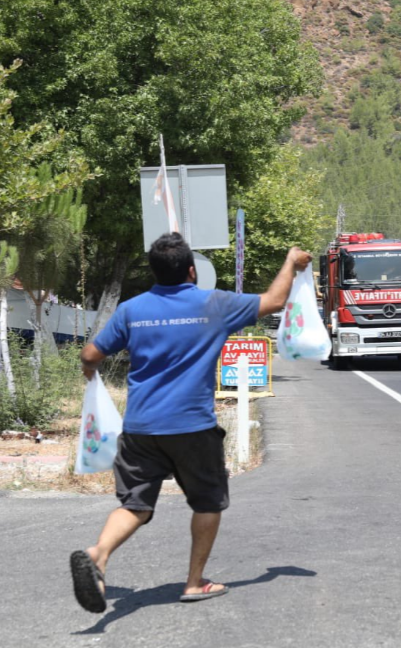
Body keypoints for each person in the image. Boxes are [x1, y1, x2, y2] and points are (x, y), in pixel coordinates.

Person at [70, 232, 311, 612]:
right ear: (191, 272)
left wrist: (89, 372)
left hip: (141, 428)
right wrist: (291, 262)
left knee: (135, 506)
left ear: (153, 272)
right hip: (192, 427)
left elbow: (90, 354)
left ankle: (98, 553)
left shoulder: (132, 310)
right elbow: (275, 300)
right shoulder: (214, 304)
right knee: (207, 502)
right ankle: (195, 582)